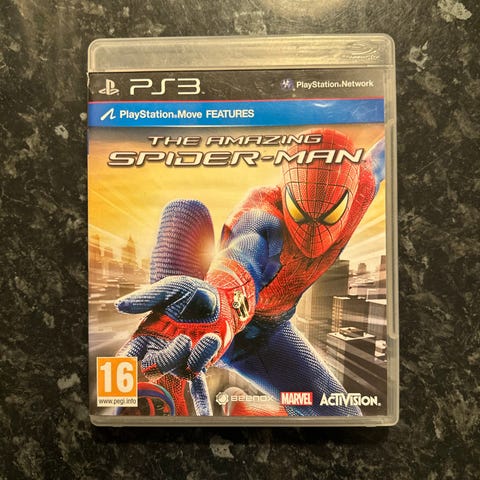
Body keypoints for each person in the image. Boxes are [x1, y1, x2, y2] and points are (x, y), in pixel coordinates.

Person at [115, 128, 385, 416]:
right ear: (287, 191)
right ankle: (166, 374)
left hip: (266, 332)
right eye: (299, 212)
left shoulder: (364, 183)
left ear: (351, 195)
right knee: (184, 212)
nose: (312, 231)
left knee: (344, 415)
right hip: (206, 321)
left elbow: (383, 154)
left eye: (329, 215)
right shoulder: (262, 216)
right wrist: (219, 306)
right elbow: (241, 256)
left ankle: (241, 407)